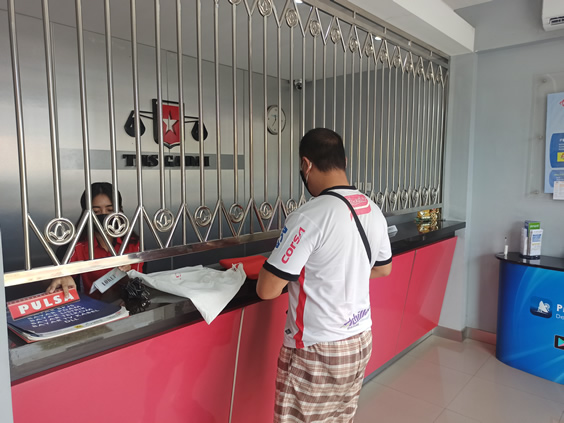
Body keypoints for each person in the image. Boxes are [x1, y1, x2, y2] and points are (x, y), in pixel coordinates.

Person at [257, 128, 392, 423]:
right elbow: (383, 268)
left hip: (317, 347)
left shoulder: (309, 216)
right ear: (344, 161)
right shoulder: (372, 209)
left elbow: (267, 289)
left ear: (306, 164)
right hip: (360, 339)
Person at [46, 182, 143, 301]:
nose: (104, 216)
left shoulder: (134, 244)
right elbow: (55, 280)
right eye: (96, 212)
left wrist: (128, 275)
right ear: (86, 214)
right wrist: (62, 277)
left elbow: (142, 283)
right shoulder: (75, 247)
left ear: (120, 211)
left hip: (129, 306)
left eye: (110, 210)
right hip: (92, 307)